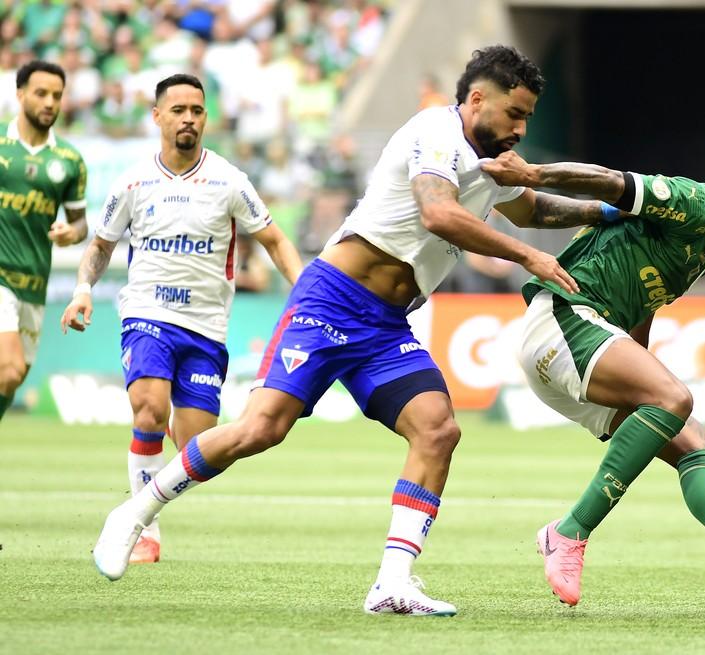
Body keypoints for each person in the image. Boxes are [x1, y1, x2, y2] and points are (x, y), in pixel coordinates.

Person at [89, 45, 609, 616]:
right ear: (477, 100)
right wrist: (526, 258)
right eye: (515, 113)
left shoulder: (494, 160)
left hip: (385, 324)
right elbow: (438, 212)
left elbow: (533, 209)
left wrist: (611, 211)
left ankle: (391, 583)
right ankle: (134, 514)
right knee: (262, 428)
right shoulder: (435, 129)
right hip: (333, 299)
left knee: (437, 429)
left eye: (530, 116)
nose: (522, 127)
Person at [481, 151, 705, 607]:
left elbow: (644, 305)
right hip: (563, 317)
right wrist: (533, 175)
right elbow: (609, 181)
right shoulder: (690, 203)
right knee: (673, 398)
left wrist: (640, 384)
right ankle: (568, 532)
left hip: (584, 342)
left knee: (698, 445)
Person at [61, 74, 302, 565]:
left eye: (196, 109)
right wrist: (83, 289)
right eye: (178, 110)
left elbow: (275, 239)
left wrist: (308, 294)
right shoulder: (132, 181)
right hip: (148, 312)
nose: (188, 118)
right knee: (148, 408)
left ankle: (145, 501)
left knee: (199, 449)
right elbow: (101, 245)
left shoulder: (230, 180)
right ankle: (141, 527)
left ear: (205, 117)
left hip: (207, 326)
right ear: (157, 116)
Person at [0, 60, 88, 424]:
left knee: (13, 378)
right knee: (8, 367)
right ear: (20, 95)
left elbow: (80, 223)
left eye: (57, 95)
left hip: (34, 286)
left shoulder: (69, 161)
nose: (50, 102)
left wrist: (72, 233)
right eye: (41, 93)